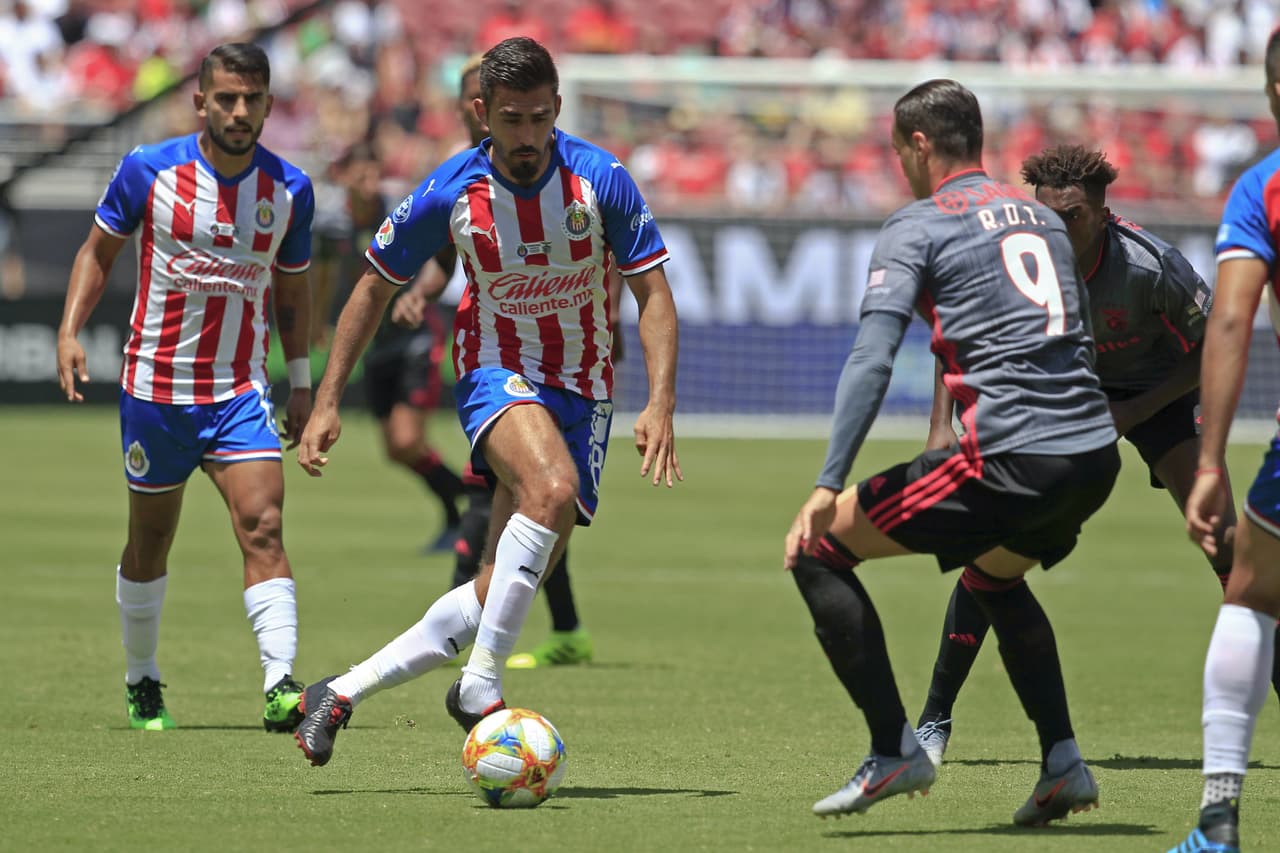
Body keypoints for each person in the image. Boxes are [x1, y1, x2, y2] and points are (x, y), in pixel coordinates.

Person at [291, 36, 680, 768]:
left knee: (496, 586)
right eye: (512, 120)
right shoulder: (449, 190)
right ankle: (479, 685)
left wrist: (659, 402)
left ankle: (337, 692)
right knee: (553, 487)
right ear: (482, 113)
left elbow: (653, 295)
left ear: (556, 108)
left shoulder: (603, 181)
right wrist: (327, 398)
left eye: (539, 118)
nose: (528, 136)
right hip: (497, 371)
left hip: (586, 391)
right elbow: (372, 286)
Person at [784, 79, 1120, 824]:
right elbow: (1080, 332)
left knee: (816, 550)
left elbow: (872, 357)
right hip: (1095, 454)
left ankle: (893, 748)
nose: (900, 164)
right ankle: (1062, 761)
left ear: (920, 145)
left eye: (899, 150)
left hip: (1013, 456)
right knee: (995, 578)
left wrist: (827, 480)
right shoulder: (1039, 216)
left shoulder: (918, 225)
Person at [912, 145, 1280, 769]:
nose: (1058, 227)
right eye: (1048, 214)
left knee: (1225, 540)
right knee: (996, 538)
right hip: (1064, 393)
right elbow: (959, 342)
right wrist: (939, 427)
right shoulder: (1017, 260)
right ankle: (933, 719)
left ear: (1103, 213)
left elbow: (1211, 347)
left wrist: (1134, 413)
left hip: (1156, 396)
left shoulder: (1150, 265)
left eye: (1074, 215)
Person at [54, 43, 314, 732]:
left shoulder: (290, 190)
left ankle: (281, 681)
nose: (239, 111)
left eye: (252, 99)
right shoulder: (149, 171)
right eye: (226, 98)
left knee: (263, 523)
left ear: (267, 103)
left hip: (239, 391)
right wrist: (70, 330)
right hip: (156, 390)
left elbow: (293, 291)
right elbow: (97, 251)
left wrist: (303, 383)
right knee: (150, 543)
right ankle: (142, 677)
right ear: (200, 101)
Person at [1169, 30, 1280, 853]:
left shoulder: (1264, 187)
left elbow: (1233, 317)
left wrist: (1208, 462)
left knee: (1250, 593)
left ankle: (1218, 823)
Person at [338, 141, 465, 553]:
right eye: (361, 175)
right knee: (396, 450)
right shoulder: (333, 225)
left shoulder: (396, 215)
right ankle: (465, 502)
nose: (370, 183)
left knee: (408, 440)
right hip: (377, 348)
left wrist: (419, 295)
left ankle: (467, 509)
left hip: (415, 337)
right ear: (344, 180)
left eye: (375, 174)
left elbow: (439, 253)